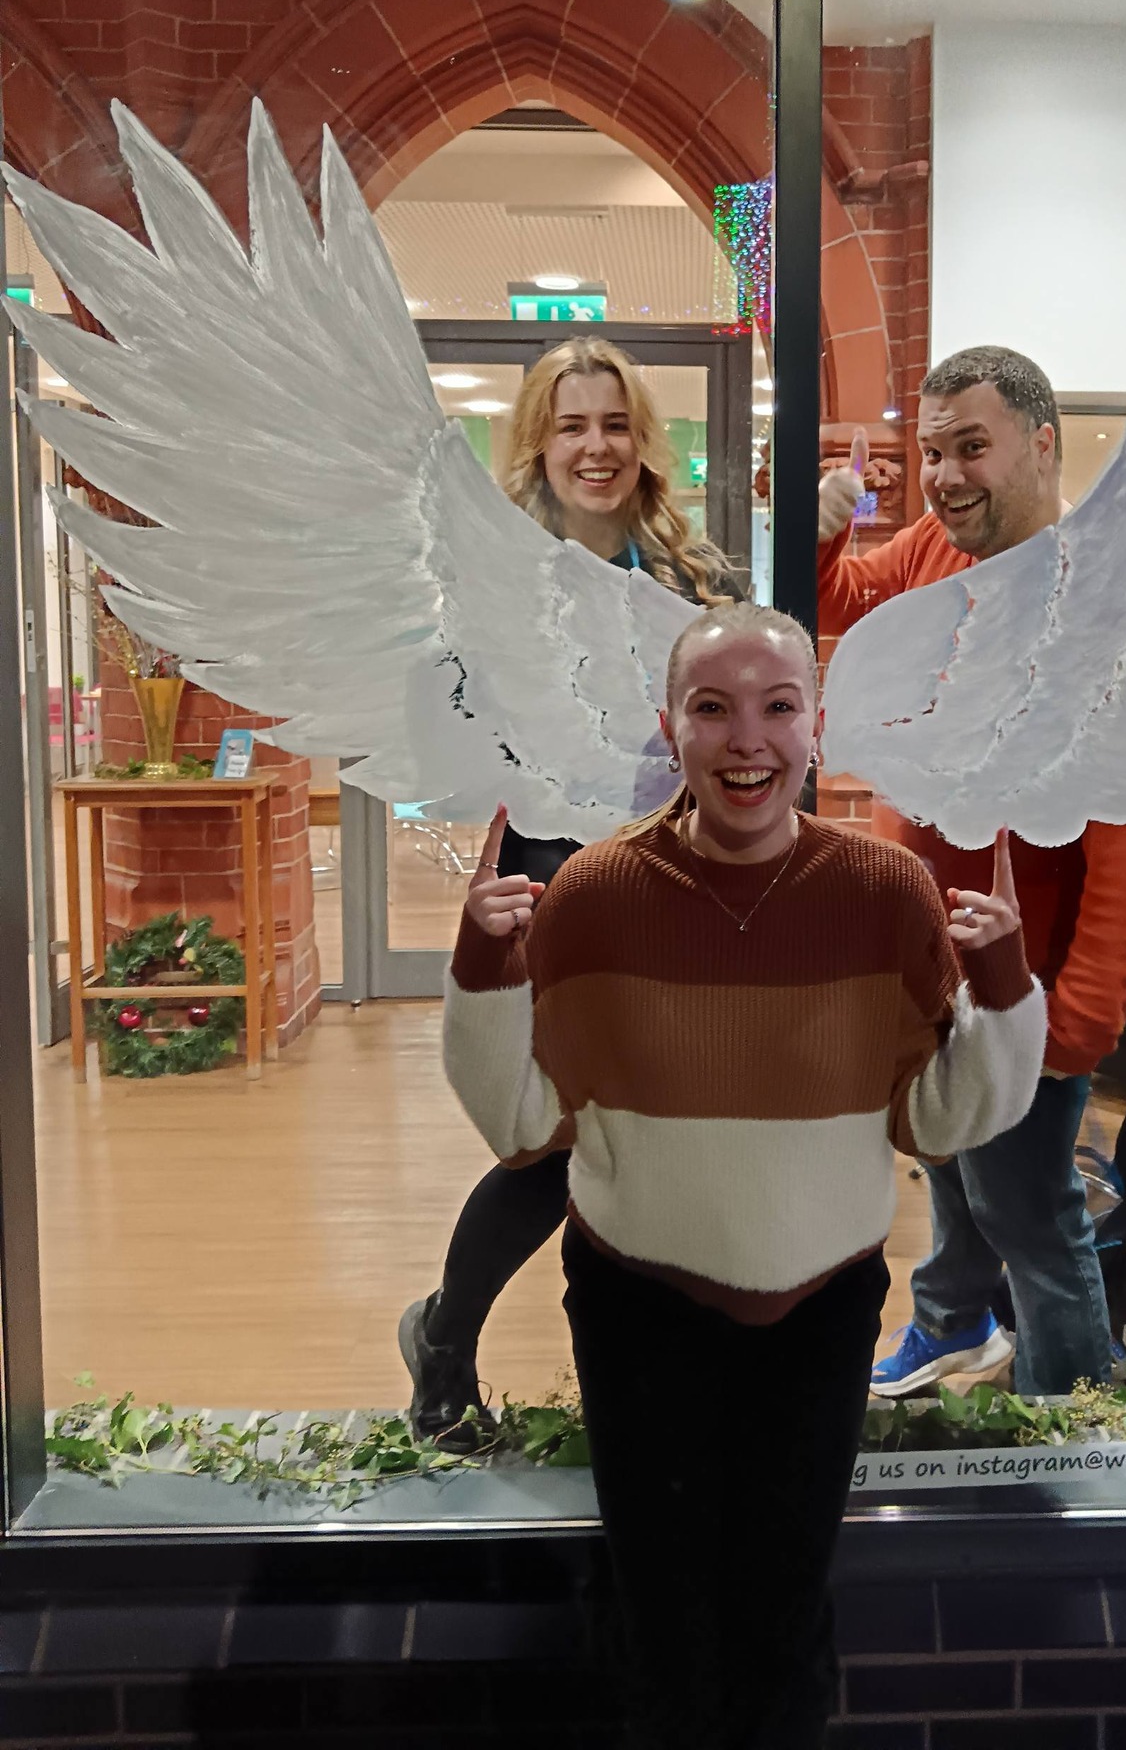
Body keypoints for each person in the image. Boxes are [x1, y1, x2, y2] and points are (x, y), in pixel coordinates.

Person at [443, 599, 1044, 1750]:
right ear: (670, 725)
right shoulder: (595, 894)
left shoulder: (885, 892)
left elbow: (939, 1119)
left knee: (783, 1606)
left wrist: (1004, 989)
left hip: (823, 1309)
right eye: (713, 708)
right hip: (638, 1304)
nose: (747, 738)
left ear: (817, 725)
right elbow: (521, 1127)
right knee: (660, 1610)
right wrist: (482, 969)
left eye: (777, 706)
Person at [400, 336, 740, 1451]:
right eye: (572, 425)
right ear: (539, 444)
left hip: (683, 889)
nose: (596, 447)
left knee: (654, 1143)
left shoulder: (698, 580)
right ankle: (445, 1343)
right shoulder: (497, 580)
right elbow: (443, 719)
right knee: (550, 1143)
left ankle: (633, 1375)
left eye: (615, 423)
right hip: (553, 888)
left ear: (644, 439)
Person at [817, 345, 1126, 1399]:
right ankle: (952, 1323)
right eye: (933, 452)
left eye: (970, 447)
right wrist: (827, 523)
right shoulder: (935, 547)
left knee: (1032, 1217)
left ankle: (1068, 1423)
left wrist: (1070, 1026)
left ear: (1043, 443)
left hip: (1026, 990)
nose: (944, 475)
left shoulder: (1104, 606)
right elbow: (844, 598)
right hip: (938, 973)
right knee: (956, 1170)